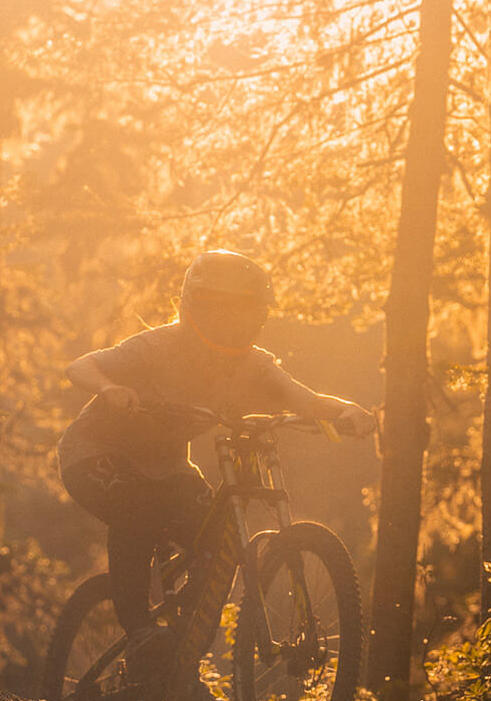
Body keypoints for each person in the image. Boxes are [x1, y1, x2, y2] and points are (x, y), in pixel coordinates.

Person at [58, 249, 374, 677]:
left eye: (245, 313)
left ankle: (182, 663)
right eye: (224, 311)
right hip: (94, 454)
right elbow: (81, 366)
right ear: (196, 306)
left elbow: (309, 401)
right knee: (139, 514)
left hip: (167, 470)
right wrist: (110, 388)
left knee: (223, 540)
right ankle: (140, 633)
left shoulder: (253, 364)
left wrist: (347, 412)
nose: (233, 323)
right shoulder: (158, 344)